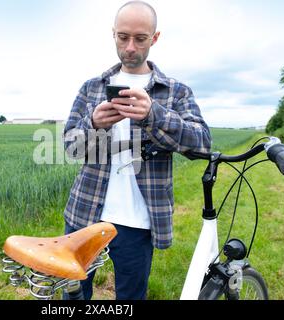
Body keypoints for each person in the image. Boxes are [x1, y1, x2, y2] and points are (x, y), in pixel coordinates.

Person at [63, 1, 212, 300]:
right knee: (74, 295)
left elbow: (202, 143)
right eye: (123, 37)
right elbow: (71, 147)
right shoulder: (91, 87)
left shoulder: (175, 92)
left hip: (138, 222)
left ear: (154, 38)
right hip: (84, 215)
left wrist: (153, 114)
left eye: (140, 38)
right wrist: (93, 123)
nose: (130, 46)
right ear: (113, 34)